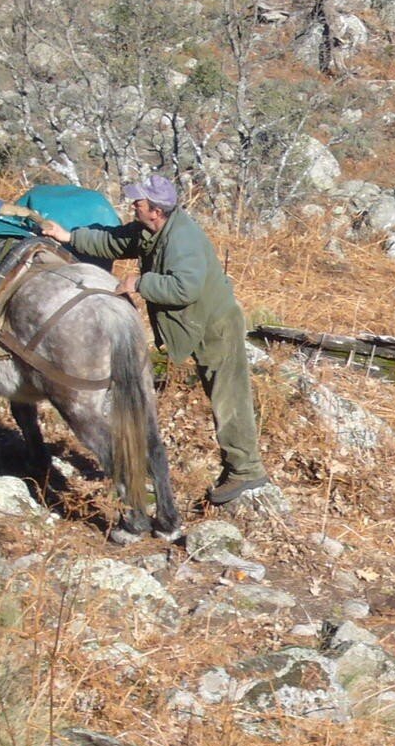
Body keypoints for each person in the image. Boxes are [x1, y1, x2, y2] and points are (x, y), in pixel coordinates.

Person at [37, 175, 269, 506]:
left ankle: (246, 470)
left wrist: (139, 283)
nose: (134, 206)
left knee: (228, 398)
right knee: (222, 395)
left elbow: (184, 288)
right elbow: (113, 241)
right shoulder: (151, 230)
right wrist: (67, 235)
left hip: (214, 325)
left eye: (139, 203)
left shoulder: (181, 240)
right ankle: (237, 466)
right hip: (196, 322)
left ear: (156, 211)